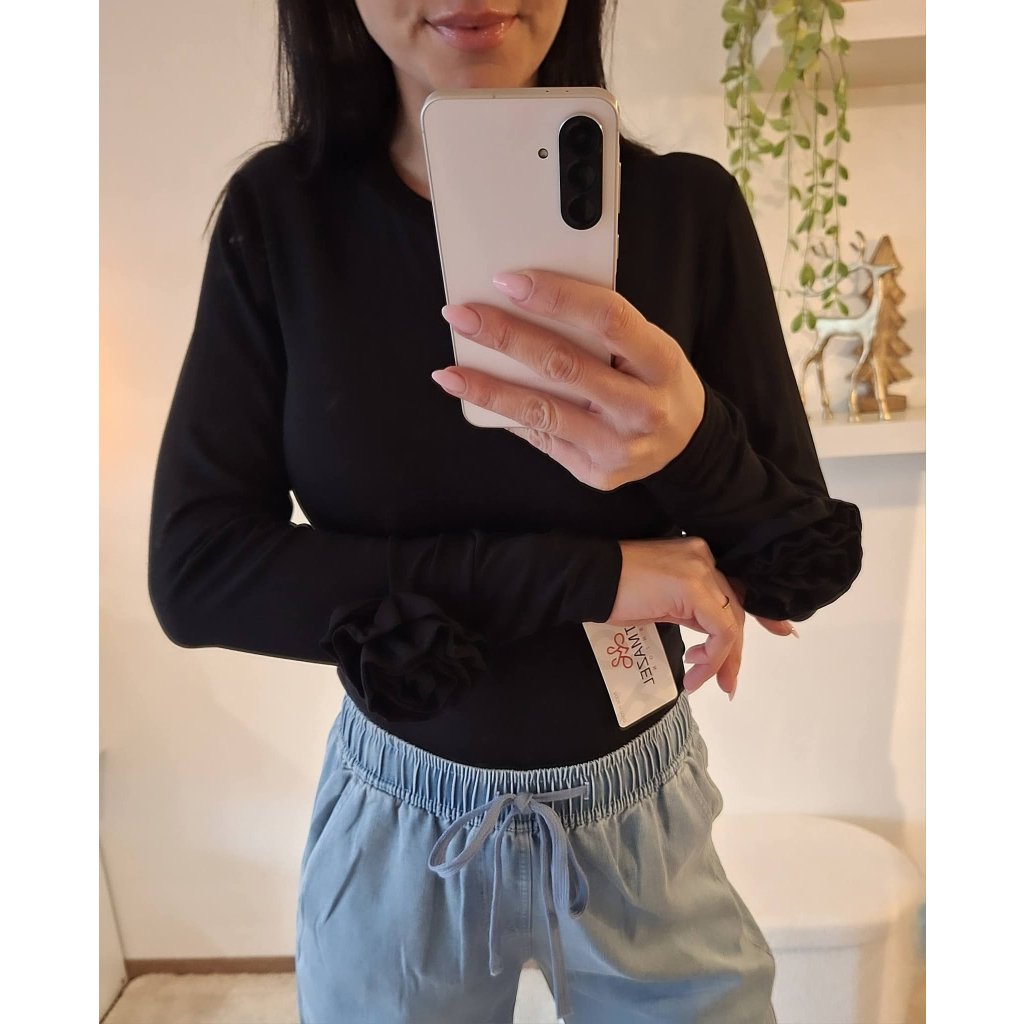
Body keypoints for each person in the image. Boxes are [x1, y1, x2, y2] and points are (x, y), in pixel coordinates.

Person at [147, 1, 863, 1021]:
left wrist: (692, 440)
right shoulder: (284, 219)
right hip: (402, 826)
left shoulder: (687, 211)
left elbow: (799, 569)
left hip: (642, 819)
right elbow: (200, 571)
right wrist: (601, 577)